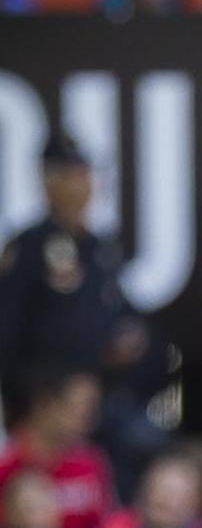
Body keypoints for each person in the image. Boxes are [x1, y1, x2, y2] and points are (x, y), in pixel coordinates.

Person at [0, 132, 165, 502]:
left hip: (106, 401)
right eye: (72, 175)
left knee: (147, 443)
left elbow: (124, 316)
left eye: (86, 174)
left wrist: (129, 344)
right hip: (46, 409)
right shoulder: (28, 248)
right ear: (48, 182)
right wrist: (30, 400)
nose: (83, 184)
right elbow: (7, 333)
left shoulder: (101, 249)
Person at [0, 365, 114, 528]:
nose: (86, 422)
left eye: (90, 412)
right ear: (43, 403)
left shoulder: (91, 463)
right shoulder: (6, 460)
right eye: (76, 409)